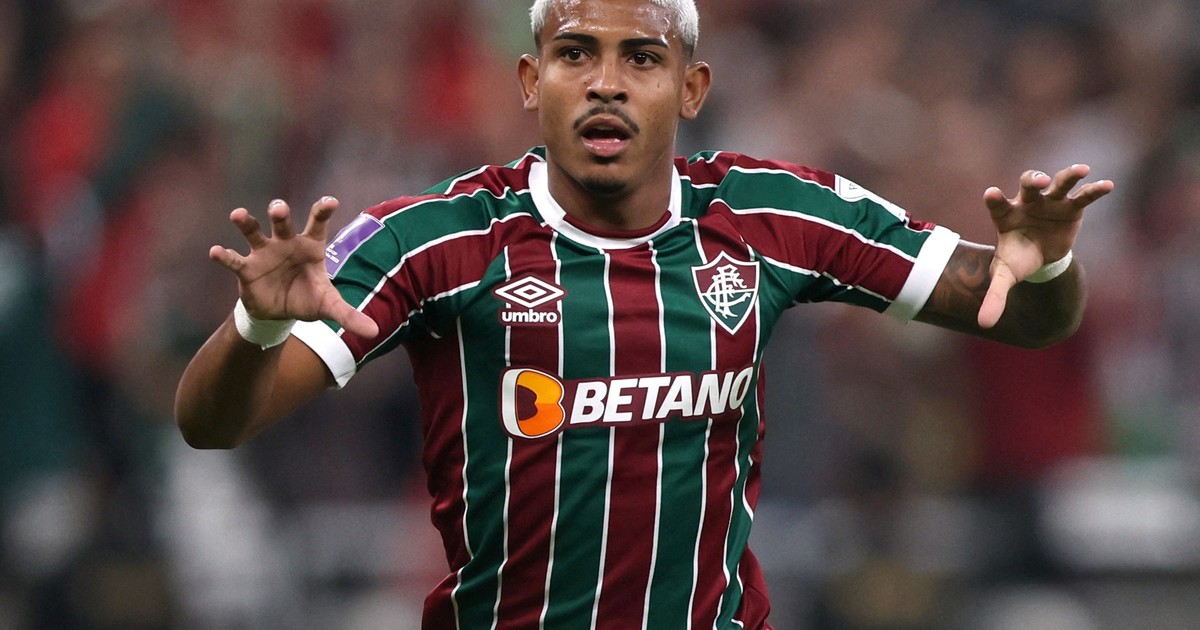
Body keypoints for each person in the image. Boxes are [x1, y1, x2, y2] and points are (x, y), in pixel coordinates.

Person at [174, 0, 1115, 627]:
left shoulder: (772, 216)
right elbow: (212, 423)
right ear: (530, 81)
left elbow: (1024, 314)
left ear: (691, 88)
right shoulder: (435, 239)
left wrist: (1049, 263)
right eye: (575, 53)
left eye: (642, 57)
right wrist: (256, 328)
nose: (607, 82)